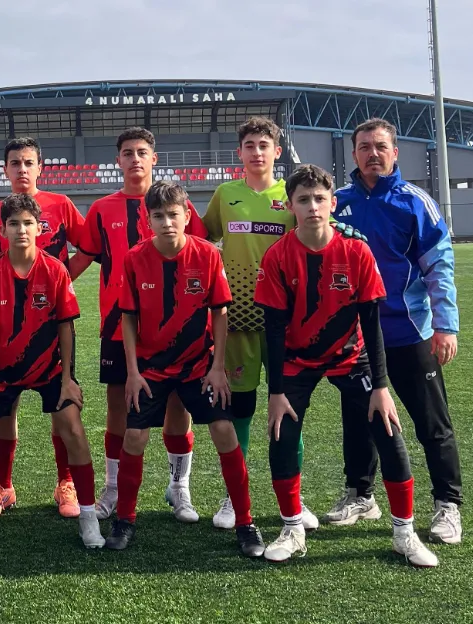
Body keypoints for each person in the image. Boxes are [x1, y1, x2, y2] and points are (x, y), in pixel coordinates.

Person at [254, 164, 438, 567]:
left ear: (333, 204)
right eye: (303, 200)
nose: (313, 206)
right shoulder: (279, 255)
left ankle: (404, 533)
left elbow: (372, 322)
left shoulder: (356, 250)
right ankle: (292, 528)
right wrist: (276, 392)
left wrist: (381, 387)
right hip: (297, 358)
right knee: (282, 432)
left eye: (320, 199)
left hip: (351, 356)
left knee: (388, 429)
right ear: (290, 206)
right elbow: (274, 329)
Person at [106, 181, 265, 557]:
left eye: (173, 214)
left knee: (224, 430)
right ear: (147, 220)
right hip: (151, 368)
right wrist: (133, 372)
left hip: (198, 366)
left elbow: (220, 313)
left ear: (186, 215)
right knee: (135, 437)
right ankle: (125, 519)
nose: (167, 222)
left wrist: (218, 367)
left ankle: (245, 522)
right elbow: (128, 318)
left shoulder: (207, 254)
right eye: (158, 216)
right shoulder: (135, 258)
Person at [332, 118, 463, 544]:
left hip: (408, 332)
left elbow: (439, 266)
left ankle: (447, 504)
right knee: (359, 418)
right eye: (364, 147)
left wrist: (445, 326)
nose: (373, 154)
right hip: (356, 339)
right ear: (354, 154)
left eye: (380, 146)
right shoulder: (337, 202)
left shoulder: (414, 202)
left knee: (432, 424)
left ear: (395, 152)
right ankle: (360, 494)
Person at [71, 127, 207, 523]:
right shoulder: (102, 209)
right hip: (120, 326)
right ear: (118, 160)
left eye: (142, 152)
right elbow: (81, 259)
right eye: (128, 152)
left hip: (175, 326)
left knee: (177, 406)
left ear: (154, 158)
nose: (135, 158)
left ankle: (179, 487)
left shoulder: (179, 205)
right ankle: (113, 488)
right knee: (119, 408)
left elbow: (199, 252)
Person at [0, 193, 104, 550]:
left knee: (73, 428)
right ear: (3, 230)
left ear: (39, 228)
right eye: (14, 224)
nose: (21, 230)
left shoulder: (55, 270)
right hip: (2, 370)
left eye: (28, 223)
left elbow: (67, 327)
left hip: (50, 369)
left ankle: (88, 518)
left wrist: (68, 380)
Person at [201, 117, 317, 531]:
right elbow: (202, 238)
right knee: (242, 410)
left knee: (290, 408)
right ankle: (234, 499)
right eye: (249, 145)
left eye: (263, 145)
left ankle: (295, 498)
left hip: (283, 320)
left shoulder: (291, 195)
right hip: (237, 320)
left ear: (277, 152)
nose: (256, 152)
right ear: (240, 152)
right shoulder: (225, 194)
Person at [0, 137, 91, 519]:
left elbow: (88, 247)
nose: (22, 169)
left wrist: (63, 283)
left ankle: (65, 482)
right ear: (5, 169)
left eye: (28, 162)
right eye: (15, 163)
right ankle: (3, 486)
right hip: (5, 324)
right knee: (3, 409)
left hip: (50, 324)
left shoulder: (62, 204)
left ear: (40, 166)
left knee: (61, 409)